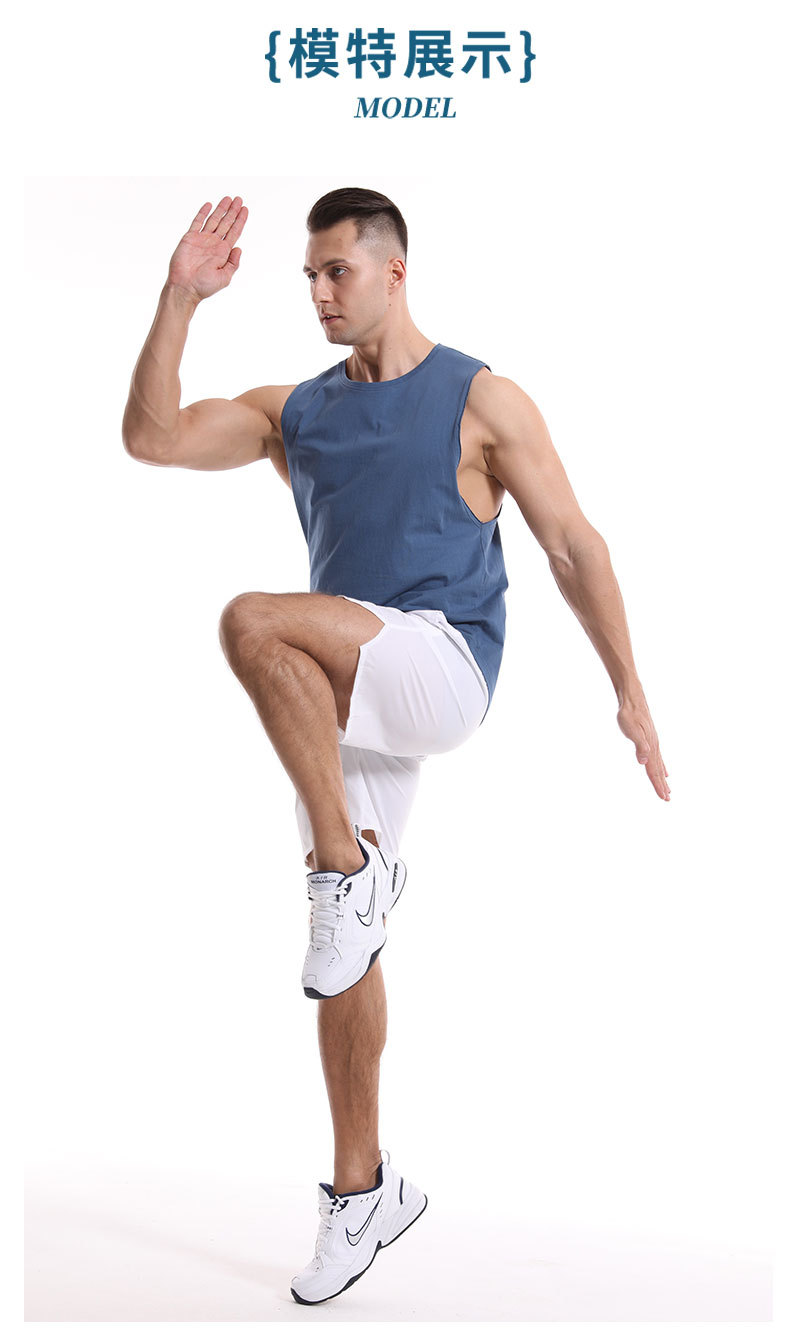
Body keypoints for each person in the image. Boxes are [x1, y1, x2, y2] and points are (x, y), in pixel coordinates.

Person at [121, 186, 669, 1305]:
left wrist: (630, 691)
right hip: (343, 687)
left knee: (251, 621)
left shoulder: (479, 397)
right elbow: (154, 436)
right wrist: (179, 297)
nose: (319, 293)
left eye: (337, 271)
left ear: (393, 270)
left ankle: (350, 871)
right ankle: (361, 1189)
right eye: (308, 277)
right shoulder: (297, 412)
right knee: (344, 957)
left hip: (442, 663)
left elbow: (572, 544)